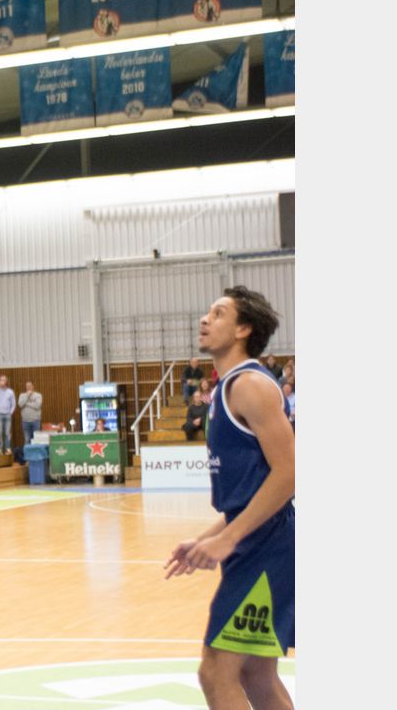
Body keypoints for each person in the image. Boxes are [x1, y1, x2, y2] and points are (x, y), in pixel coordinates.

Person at [164, 286, 294, 710]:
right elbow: (251, 495)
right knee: (256, 674)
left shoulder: (250, 385)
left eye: (218, 313)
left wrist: (229, 538)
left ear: (243, 329)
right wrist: (209, 538)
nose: (205, 319)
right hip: (259, 543)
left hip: (268, 548)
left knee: (216, 673)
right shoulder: (226, 389)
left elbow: (290, 474)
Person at [18, 380, 43, 459]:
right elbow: (20, 404)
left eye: (29, 386)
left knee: (36, 440)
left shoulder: (38, 395)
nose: (28, 387)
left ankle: (36, 457)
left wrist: (27, 404)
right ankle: (27, 458)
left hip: (36, 421)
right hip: (25, 421)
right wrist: (27, 397)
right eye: (27, 386)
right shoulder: (22, 395)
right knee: (27, 440)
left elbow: (37, 406)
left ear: (33, 386)